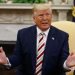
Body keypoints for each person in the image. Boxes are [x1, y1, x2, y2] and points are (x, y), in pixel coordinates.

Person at [0, 3, 75, 75]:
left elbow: (63, 60)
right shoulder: (23, 34)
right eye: (41, 15)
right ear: (34, 18)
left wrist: (67, 64)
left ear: (51, 16)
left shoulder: (62, 36)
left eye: (47, 15)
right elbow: (17, 57)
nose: (45, 18)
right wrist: (6, 61)